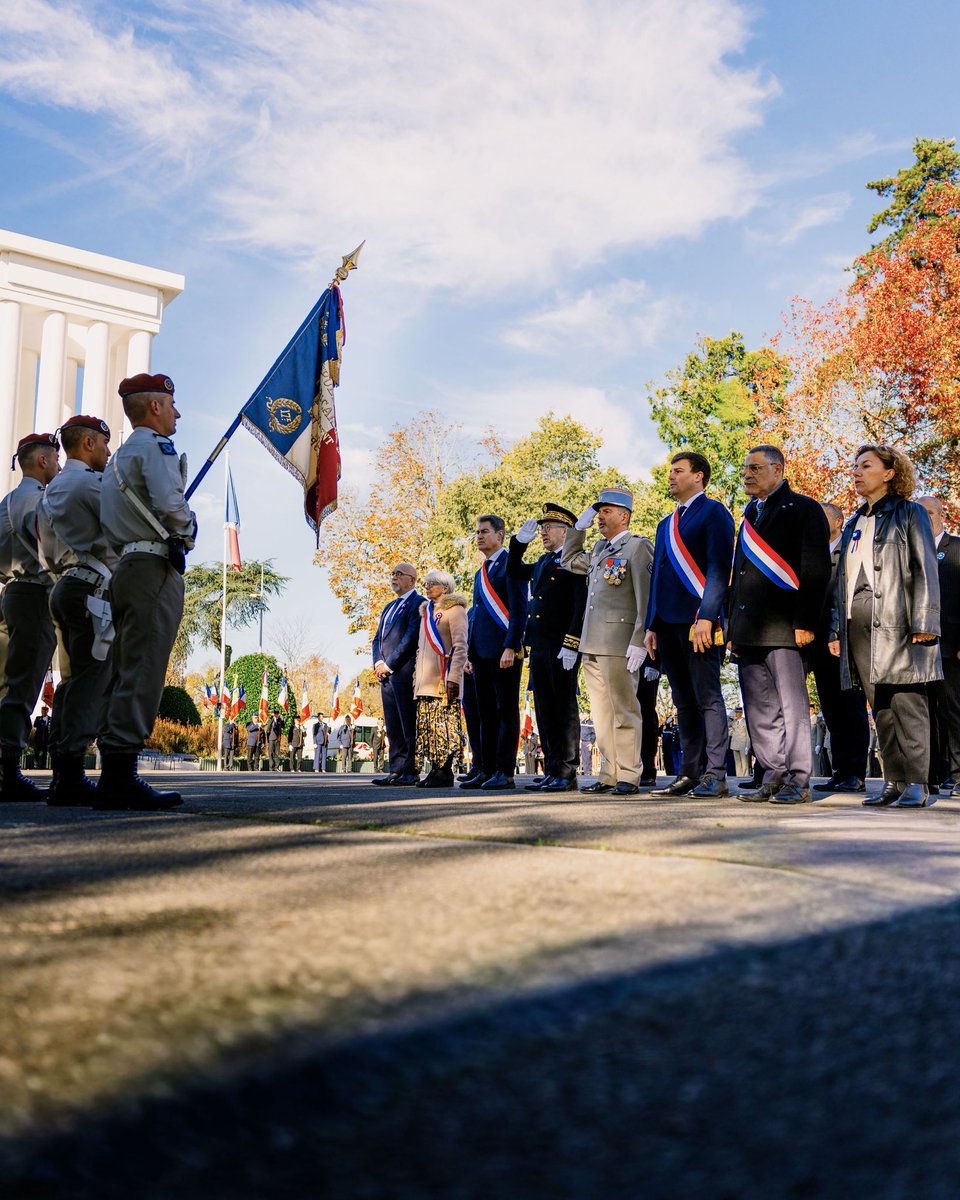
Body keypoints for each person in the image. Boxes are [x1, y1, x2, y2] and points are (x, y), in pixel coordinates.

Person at [96, 373, 195, 811]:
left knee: (124, 666)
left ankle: (114, 772)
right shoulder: (156, 448)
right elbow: (173, 505)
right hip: (153, 565)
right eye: (171, 404)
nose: (176, 412)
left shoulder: (118, 458)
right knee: (144, 668)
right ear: (154, 407)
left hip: (127, 564)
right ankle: (120, 776)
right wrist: (190, 528)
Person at [829, 445, 941, 809]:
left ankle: (917, 783)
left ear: (889, 473)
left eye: (866, 466)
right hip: (858, 623)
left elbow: (925, 567)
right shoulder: (853, 523)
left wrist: (925, 619)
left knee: (907, 704)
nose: (857, 472)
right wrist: (836, 630)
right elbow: (841, 582)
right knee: (880, 708)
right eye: (855, 466)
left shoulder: (910, 513)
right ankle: (893, 780)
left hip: (899, 621)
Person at [729, 445, 831, 806]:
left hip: (786, 627)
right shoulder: (749, 515)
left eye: (754, 468)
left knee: (791, 707)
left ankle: (799, 779)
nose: (747, 474)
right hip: (749, 629)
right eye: (745, 468)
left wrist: (805, 621)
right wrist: (732, 629)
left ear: (777, 469)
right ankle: (773, 775)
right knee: (759, 709)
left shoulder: (803, 509)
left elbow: (815, 570)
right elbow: (738, 576)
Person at [644, 451, 736, 798]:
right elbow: (659, 580)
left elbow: (718, 570)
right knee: (683, 700)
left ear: (698, 477)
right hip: (668, 624)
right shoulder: (665, 523)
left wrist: (707, 616)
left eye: (678, 471)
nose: (670, 476)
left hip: (699, 622)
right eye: (670, 471)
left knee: (708, 698)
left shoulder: (714, 513)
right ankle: (689, 772)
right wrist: (651, 625)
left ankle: (716, 773)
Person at [37, 414, 116, 805]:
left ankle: (62, 773)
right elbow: (123, 526)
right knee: (92, 678)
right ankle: (70, 771)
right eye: (103, 443)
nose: (107, 450)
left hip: (65, 584)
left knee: (71, 682)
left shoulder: (51, 489)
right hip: (89, 585)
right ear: (87, 444)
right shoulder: (89, 483)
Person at [561, 488, 653, 795]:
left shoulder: (637, 548)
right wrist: (577, 530)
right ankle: (609, 774)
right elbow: (569, 560)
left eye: (606, 511)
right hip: (592, 644)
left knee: (624, 711)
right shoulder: (600, 548)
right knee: (601, 715)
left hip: (619, 643)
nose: (600, 517)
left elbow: (645, 597)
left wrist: (639, 639)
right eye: (598, 511)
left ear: (623, 516)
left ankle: (629, 774)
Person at [507, 502, 588, 793]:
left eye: (547, 528)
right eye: (541, 528)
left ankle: (567, 771)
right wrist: (518, 544)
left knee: (563, 709)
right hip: (540, 643)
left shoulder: (574, 561)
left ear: (565, 531)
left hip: (561, 644)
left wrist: (572, 642)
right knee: (544, 710)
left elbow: (580, 604)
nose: (542, 532)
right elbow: (513, 570)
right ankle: (553, 769)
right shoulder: (543, 561)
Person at [0, 432, 60, 801]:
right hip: (34, 594)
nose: (58, 464)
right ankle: (8, 770)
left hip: (9, 591)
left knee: (7, 682)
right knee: (22, 684)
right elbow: (50, 549)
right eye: (54, 458)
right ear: (41, 461)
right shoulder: (36, 501)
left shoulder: (8, 500)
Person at [461, 515, 528, 792]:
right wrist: (469, 652)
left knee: (505, 711)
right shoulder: (481, 572)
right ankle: (486, 768)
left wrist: (511, 645)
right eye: (477, 532)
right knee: (485, 713)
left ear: (500, 535)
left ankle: (504, 770)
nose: (479, 536)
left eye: (485, 531)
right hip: (481, 652)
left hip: (504, 652)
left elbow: (519, 609)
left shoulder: (509, 565)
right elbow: (477, 615)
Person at [807, 501, 870, 795]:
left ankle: (855, 772)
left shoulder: (849, 548)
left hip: (846, 640)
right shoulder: (813, 553)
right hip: (818, 642)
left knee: (851, 708)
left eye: (820, 518)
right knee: (831, 709)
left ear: (836, 522)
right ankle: (840, 770)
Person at [917, 496, 960, 795]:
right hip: (916, 647)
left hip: (950, 645)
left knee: (953, 711)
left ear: (942, 516)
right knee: (923, 713)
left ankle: (958, 775)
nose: (924, 518)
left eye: (929, 512)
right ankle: (930, 776)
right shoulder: (907, 552)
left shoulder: (957, 549)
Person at [412, 568, 468, 787]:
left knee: (443, 728)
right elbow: (420, 649)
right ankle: (435, 769)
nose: (427, 586)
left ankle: (445, 771)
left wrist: (454, 677)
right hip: (425, 682)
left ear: (445, 587)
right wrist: (416, 680)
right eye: (426, 583)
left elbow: (460, 646)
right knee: (428, 729)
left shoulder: (455, 610)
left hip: (443, 681)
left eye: (431, 583)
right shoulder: (426, 613)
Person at [371, 563, 424, 786]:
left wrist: (390, 664)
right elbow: (377, 639)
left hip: (404, 672)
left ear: (412, 580)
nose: (394, 577)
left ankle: (410, 770)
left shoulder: (418, 603)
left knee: (407, 723)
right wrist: (378, 662)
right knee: (392, 724)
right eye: (392, 573)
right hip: (386, 676)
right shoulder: (388, 607)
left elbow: (410, 638)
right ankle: (396, 769)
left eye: (399, 574)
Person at [728, 707, 750, 779]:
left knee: (744, 762)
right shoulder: (733, 722)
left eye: (739, 712)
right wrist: (729, 716)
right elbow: (727, 725)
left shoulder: (745, 721)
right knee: (737, 762)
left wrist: (748, 745)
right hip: (734, 744)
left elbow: (748, 734)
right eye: (736, 712)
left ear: (741, 713)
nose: (738, 714)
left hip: (743, 744)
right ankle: (739, 776)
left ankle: (745, 776)